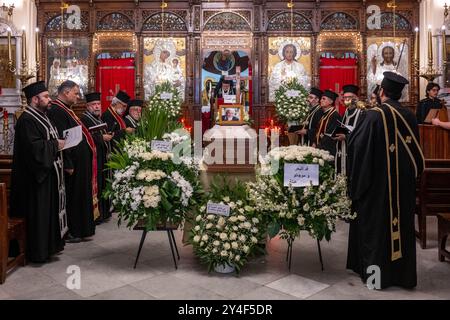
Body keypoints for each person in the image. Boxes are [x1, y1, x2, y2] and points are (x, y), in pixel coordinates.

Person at [347, 71, 425, 289]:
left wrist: (355, 185)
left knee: (376, 232)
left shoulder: (373, 116)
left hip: (377, 187)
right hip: (403, 187)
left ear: (381, 92)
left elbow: (358, 148)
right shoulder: (409, 115)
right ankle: (403, 277)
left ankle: (376, 280)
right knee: (402, 230)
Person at [10, 81, 66, 263]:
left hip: (46, 174)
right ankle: (38, 252)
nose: (49, 100)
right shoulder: (26, 120)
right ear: (35, 99)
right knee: (38, 215)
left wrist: (56, 143)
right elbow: (34, 149)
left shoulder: (42, 116)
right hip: (33, 180)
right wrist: (55, 144)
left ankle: (50, 247)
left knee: (47, 214)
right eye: (46, 97)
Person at [48, 80, 97, 243]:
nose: (78, 97)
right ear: (66, 92)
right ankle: (75, 230)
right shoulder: (56, 110)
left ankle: (82, 229)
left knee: (80, 195)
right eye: (76, 93)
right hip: (73, 164)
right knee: (74, 197)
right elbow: (63, 138)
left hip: (79, 163)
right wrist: (68, 163)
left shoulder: (67, 109)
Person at [80, 92, 113, 224]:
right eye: (93, 104)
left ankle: (104, 212)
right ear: (87, 106)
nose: (97, 107)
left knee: (103, 184)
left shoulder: (98, 118)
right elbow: (85, 137)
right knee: (97, 186)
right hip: (94, 159)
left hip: (102, 157)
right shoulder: (84, 119)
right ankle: (97, 215)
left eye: (98, 104)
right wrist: (102, 138)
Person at [334, 84, 364, 175]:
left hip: (355, 152)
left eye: (350, 97)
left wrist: (346, 137)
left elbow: (363, 134)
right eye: (345, 97)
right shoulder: (346, 112)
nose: (347, 100)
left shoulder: (362, 113)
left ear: (356, 98)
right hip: (342, 150)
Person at [314, 89, 342, 156]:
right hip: (320, 147)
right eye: (321, 99)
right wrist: (314, 142)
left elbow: (330, 135)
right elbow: (318, 130)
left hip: (329, 150)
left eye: (324, 99)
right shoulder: (324, 114)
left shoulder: (335, 115)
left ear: (331, 101)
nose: (321, 100)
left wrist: (318, 147)